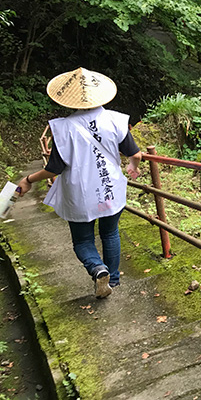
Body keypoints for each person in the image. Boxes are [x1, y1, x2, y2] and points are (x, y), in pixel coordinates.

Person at [17, 68, 142, 299]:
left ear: (68, 100)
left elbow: (54, 168)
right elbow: (135, 153)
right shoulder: (116, 120)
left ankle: (97, 268)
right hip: (110, 188)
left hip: (80, 192)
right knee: (110, 232)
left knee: (83, 240)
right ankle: (112, 278)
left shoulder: (63, 128)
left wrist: (28, 180)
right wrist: (133, 166)